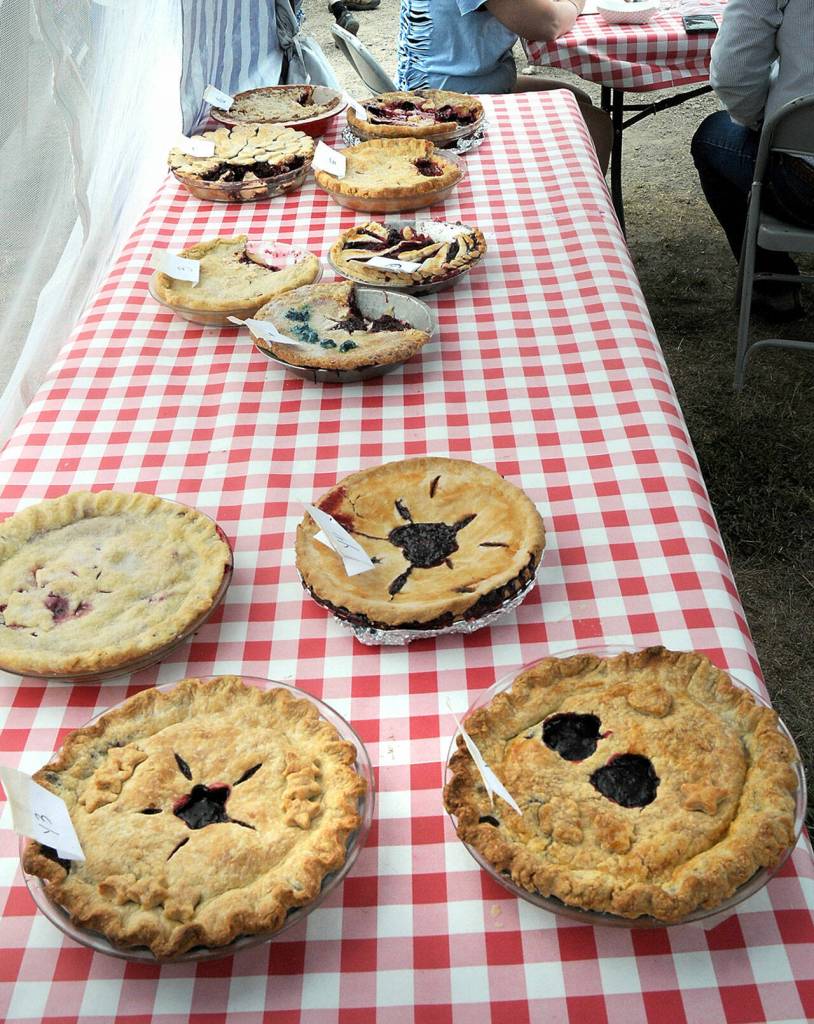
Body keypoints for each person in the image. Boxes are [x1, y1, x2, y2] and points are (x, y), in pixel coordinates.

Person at [691, 0, 814, 322]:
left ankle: (775, 290)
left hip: (804, 189)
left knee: (711, 136)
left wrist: (771, 126)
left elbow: (734, 74)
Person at [396, 0, 612, 174]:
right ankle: (583, 216)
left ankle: (562, 188)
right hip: (445, 102)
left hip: (457, 81)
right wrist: (575, 4)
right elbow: (548, 24)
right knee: (596, 126)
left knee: (577, 99)